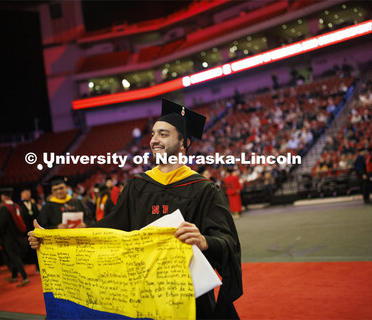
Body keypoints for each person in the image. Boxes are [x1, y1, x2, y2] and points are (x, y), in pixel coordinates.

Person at [29, 99, 243, 319]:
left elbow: (228, 241)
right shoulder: (137, 186)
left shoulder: (204, 190)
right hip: (143, 295)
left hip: (190, 296)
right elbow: (111, 229)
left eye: (163, 134)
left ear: (183, 143)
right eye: (152, 134)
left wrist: (205, 241)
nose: (154, 140)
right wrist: (54, 239)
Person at [0, 188, 30, 287]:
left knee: (14, 257)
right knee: (15, 256)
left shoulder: (4, 208)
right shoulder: (17, 206)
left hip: (9, 237)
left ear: (3, 197)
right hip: (19, 236)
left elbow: (0, 224)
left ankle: (24, 277)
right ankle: (14, 276)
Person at [18, 187, 40, 271]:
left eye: (29, 193)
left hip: (35, 229)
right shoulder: (19, 206)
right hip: (25, 230)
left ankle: (38, 267)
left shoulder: (34, 204)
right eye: (26, 193)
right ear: (22, 195)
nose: (28, 195)